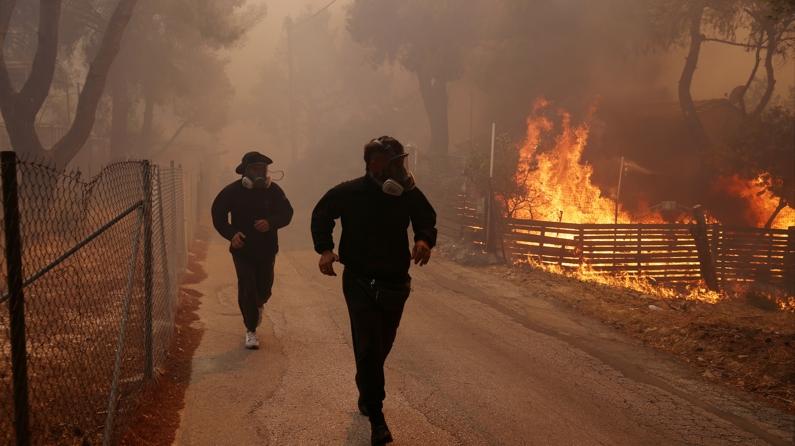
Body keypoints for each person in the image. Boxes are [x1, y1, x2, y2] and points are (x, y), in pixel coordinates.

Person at [311, 136, 437, 445]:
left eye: (400, 161)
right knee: (368, 346)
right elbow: (321, 215)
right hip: (359, 282)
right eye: (392, 161)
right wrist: (325, 250)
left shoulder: (407, 193)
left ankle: (366, 386)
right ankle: (377, 418)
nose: (399, 168)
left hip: (395, 282)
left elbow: (426, 218)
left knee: (380, 347)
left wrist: (423, 240)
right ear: (374, 163)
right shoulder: (349, 192)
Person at [212, 151, 293, 349]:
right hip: (243, 250)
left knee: (264, 288)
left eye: (262, 168)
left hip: (267, 250)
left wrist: (271, 222)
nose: (259, 172)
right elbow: (218, 216)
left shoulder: (274, 191)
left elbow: (287, 213)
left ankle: (258, 304)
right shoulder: (231, 191)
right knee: (247, 285)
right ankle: (250, 330)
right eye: (255, 168)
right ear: (245, 171)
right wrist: (232, 234)